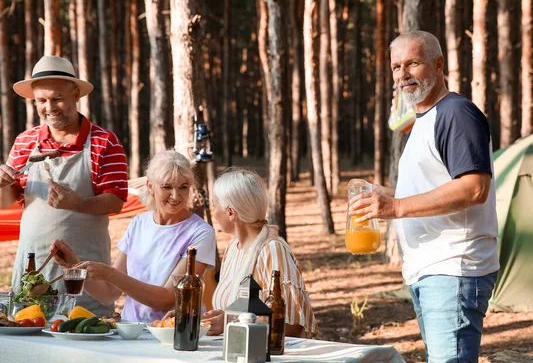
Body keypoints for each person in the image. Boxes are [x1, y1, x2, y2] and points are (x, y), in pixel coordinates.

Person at [349, 31, 499, 362]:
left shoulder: (456, 113)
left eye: (412, 63)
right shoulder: (424, 120)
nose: (402, 74)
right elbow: (433, 188)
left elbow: (474, 187)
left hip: (454, 268)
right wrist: (383, 195)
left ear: (438, 64)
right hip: (429, 271)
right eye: (396, 67)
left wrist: (395, 205)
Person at [0, 56, 128, 315]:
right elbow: (7, 201)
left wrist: (76, 203)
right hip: (32, 270)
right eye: (42, 100)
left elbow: (115, 201)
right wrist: (2, 183)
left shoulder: (105, 142)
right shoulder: (26, 141)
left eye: (57, 98)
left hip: (84, 274)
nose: (50, 107)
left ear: (76, 93)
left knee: (82, 341)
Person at [50, 150, 217, 323]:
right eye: (167, 187)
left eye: (183, 187)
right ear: (150, 186)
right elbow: (108, 293)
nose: (176, 196)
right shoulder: (139, 223)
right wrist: (75, 265)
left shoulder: (201, 233)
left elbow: (168, 299)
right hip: (131, 331)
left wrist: (109, 273)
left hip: (174, 332)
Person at [183, 168, 318, 338]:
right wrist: (190, 318)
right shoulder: (233, 248)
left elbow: (292, 328)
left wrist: (230, 322)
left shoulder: (272, 250)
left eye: (215, 204)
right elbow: (229, 312)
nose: (213, 211)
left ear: (231, 213)